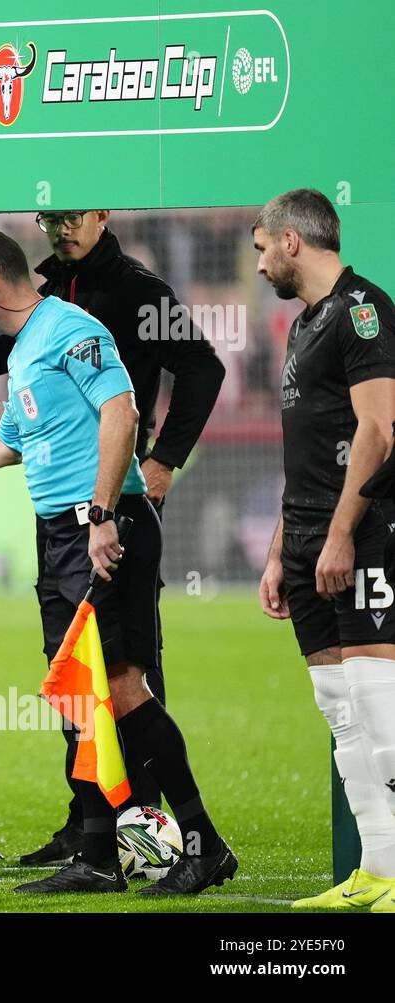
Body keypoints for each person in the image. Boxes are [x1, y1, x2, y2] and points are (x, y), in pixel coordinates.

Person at [0, 228, 235, 894]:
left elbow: (122, 410)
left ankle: (202, 841)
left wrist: (103, 513)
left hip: (104, 528)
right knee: (84, 695)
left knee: (125, 687)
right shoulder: (26, 352)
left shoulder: (71, 328)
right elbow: (6, 444)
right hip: (60, 536)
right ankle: (99, 856)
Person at [0, 209, 227, 866]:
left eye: (71, 217)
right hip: (62, 508)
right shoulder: (45, 289)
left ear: (102, 215)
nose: (60, 229)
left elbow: (201, 367)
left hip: (111, 504)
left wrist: (164, 458)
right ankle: (89, 827)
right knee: (79, 676)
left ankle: (145, 819)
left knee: (126, 675)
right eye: (49, 218)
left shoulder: (139, 291)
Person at [252, 189, 395, 912]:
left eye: (260, 247)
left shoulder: (364, 309)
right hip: (308, 538)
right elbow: (302, 454)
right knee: (340, 708)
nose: (257, 262)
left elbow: (379, 430)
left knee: (382, 707)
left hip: (364, 533)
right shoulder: (303, 324)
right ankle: (376, 871)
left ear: (292, 243)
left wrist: (340, 532)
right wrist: (283, 549)